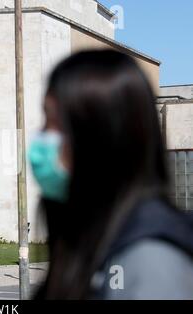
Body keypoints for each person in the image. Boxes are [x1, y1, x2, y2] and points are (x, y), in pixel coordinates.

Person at [29, 50, 193, 300]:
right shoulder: (90, 237)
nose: (40, 138)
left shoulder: (149, 261)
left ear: (101, 137)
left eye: (55, 123)